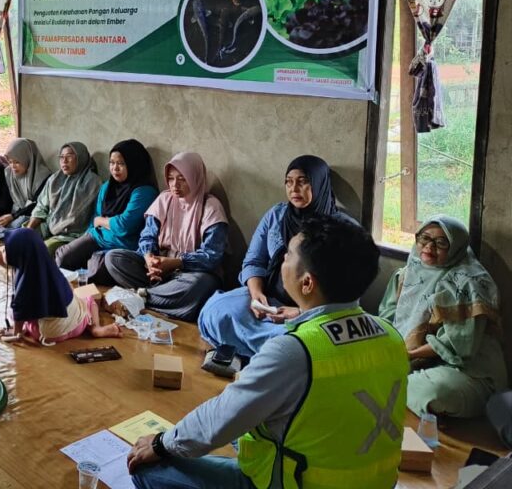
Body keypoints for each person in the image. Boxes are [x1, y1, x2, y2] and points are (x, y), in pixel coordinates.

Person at [128, 216, 408, 489]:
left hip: (297, 481)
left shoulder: (296, 351)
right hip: (375, 480)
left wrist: (160, 444)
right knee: (245, 419)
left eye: (288, 255)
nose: (282, 259)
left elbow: (220, 419)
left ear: (307, 283)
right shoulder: (391, 335)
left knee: (149, 467)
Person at [198, 155, 355, 360]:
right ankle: (264, 354)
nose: (294, 189)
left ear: (319, 183)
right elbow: (254, 261)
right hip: (270, 300)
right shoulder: (276, 215)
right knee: (216, 310)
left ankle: (257, 352)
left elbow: (347, 292)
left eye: (302, 181)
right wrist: (257, 295)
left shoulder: (343, 229)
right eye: (288, 182)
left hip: (313, 313)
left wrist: (299, 312)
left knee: (297, 342)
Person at [377, 216, 507, 419]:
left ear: (456, 247)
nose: (429, 247)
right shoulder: (408, 274)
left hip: (465, 369)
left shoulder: (468, 285)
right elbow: (387, 317)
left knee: (430, 392)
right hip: (413, 358)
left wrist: (408, 355)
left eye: (441, 243)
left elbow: (457, 346)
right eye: (425, 238)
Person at [93, 152, 228, 322]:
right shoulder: (164, 199)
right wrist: (149, 258)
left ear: (195, 178)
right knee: (113, 258)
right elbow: (147, 236)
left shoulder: (211, 207)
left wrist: (177, 263)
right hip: (158, 269)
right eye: (170, 179)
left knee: (202, 284)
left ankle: (141, 297)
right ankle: (161, 299)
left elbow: (212, 256)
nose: (175, 185)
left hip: (189, 273)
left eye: (182, 179)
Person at [0, 226, 121, 344]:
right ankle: (95, 327)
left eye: (5, 250)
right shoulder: (41, 263)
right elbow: (6, 261)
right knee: (86, 297)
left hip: (46, 333)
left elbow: (19, 312)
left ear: (19, 255)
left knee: (14, 313)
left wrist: (16, 332)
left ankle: (95, 329)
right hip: (59, 328)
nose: (3, 251)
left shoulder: (25, 281)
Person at [54, 140, 158, 272]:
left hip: (123, 244)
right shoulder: (107, 187)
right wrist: (85, 237)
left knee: (96, 266)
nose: (115, 168)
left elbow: (123, 226)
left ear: (134, 164)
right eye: (112, 163)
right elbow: (95, 218)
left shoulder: (144, 192)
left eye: (121, 163)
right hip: (97, 237)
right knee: (63, 256)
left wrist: (101, 221)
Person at [26, 141, 102, 256]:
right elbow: (41, 206)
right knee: (21, 237)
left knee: (44, 249)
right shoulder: (54, 179)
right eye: (61, 157)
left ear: (80, 158)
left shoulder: (92, 183)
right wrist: (29, 229)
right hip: (50, 226)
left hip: (74, 235)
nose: (64, 161)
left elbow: (92, 217)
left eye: (69, 156)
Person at [0, 138, 51, 230]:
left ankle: (3, 231)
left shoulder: (43, 176)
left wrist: (13, 216)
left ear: (28, 158)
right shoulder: (9, 172)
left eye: (17, 162)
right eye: (10, 162)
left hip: (28, 214)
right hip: (13, 211)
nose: (13, 166)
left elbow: (36, 206)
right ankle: (5, 231)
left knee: (21, 222)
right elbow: (6, 198)